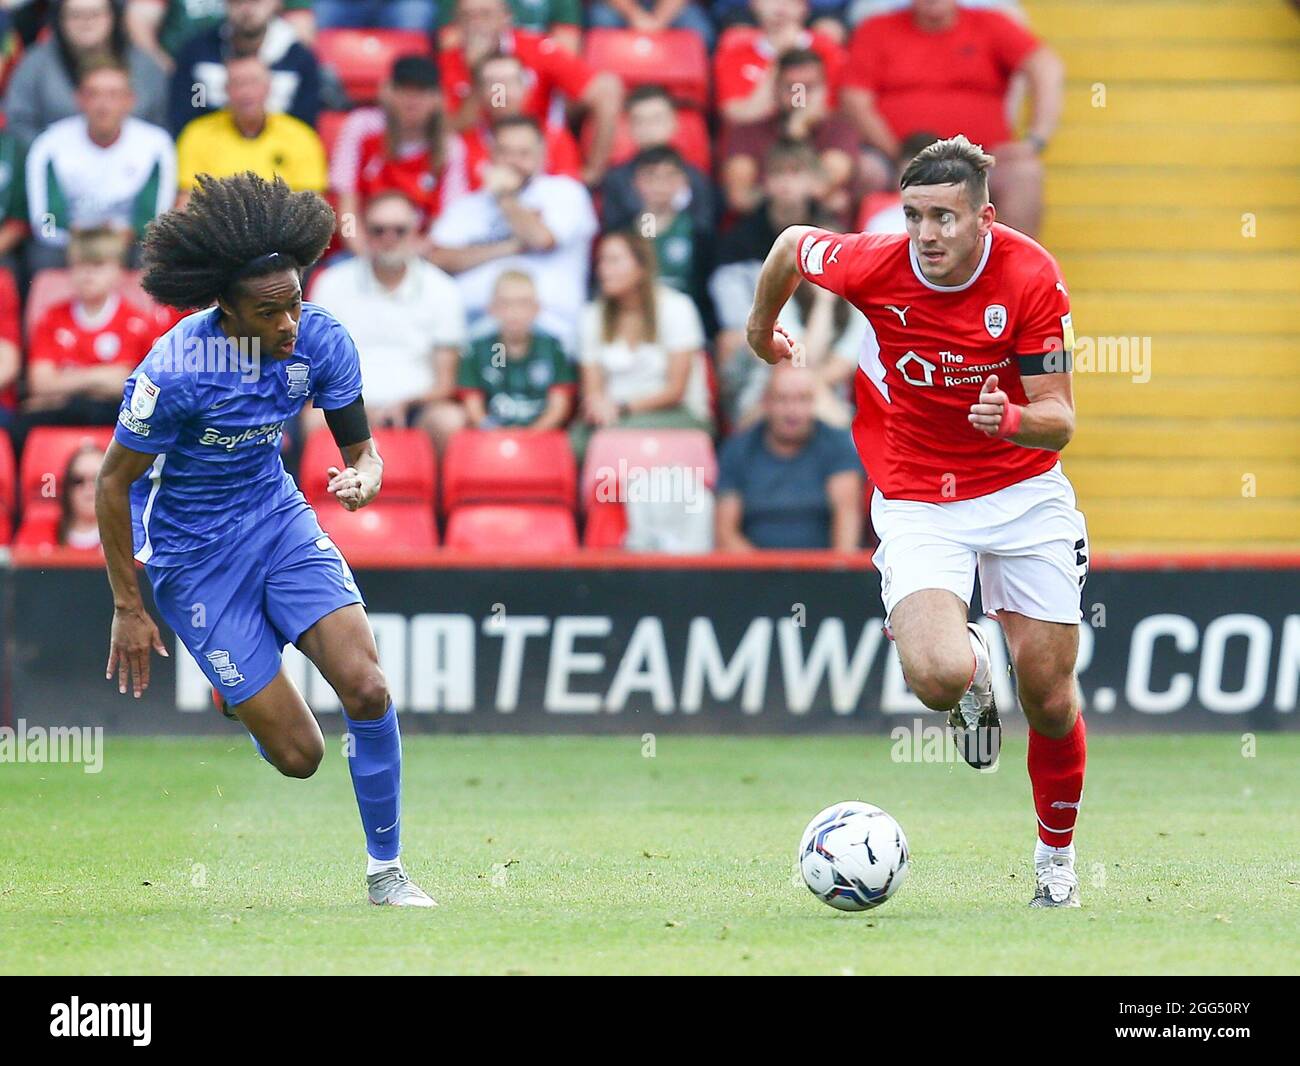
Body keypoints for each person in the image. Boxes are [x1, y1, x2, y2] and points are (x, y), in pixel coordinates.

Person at [746, 135, 1089, 906]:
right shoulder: (875, 262)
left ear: (985, 218)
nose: (926, 234)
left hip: (1024, 489)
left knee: (1050, 696)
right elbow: (792, 247)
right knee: (935, 679)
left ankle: (1055, 865)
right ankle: (971, 676)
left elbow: (1060, 421)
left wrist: (1011, 420)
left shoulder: (1031, 276)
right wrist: (758, 329)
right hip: (917, 492)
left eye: (943, 217)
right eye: (913, 216)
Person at [95, 171, 436, 907]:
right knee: (300, 757)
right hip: (195, 562)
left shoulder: (319, 340)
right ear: (226, 308)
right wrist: (129, 605)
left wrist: (366, 476)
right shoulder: (177, 370)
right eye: (269, 312)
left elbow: (361, 450)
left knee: (368, 687)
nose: (288, 325)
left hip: (278, 523)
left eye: (296, 303)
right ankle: (240, 694)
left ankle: (388, 872)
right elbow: (111, 481)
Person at [841, 0, 1063, 235]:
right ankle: (850, 263)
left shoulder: (991, 24)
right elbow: (854, 100)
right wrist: (901, 154)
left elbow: (1046, 67)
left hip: (981, 160)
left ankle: (1014, 268)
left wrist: (1035, 140)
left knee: (1024, 173)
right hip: (895, 158)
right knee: (864, 170)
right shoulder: (877, 29)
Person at [428, 114, 597, 350]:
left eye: (523, 153)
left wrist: (505, 198)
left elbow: (540, 239)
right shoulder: (467, 205)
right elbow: (438, 259)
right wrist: (510, 246)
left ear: (541, 155)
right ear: (491, 154)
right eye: (505, 152)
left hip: (551, 329)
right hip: (473, 329)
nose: (513, 161)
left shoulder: (565, 192)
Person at [310, 191, 467, 444]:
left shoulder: (443, 288)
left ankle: (440, 485)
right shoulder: (332, 283)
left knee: (449, 421)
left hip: (419, 406)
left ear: (416, 232)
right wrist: (354, 406)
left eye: (399, 230)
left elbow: (446, 382)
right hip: (346, 401)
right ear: (365, 232)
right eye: (378, 230)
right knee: (314, 420)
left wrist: (405, 404)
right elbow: (318, 365)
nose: (389, 238)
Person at [439, 0, 623, 185]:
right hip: (474, 154)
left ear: (506, 18)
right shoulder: (446, 63)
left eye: (485, 14)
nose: (476, 23)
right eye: (468, 16)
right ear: (457, 23)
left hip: (538, 147)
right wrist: (477, 74)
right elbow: (450, 127)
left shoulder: (536, 49)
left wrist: (593, 170)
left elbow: (607, 90)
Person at [24, 57, 176, 271]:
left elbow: (155, 217)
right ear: (79, 99)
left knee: (154, 254)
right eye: (93, 94)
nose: (103, 104)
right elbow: (46, 224)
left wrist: (116, 239)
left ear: (129, 100)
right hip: (69, 243)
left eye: (113, 94)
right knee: (42, 255)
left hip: (130, 243)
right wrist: (85, 240)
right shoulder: (49, 144)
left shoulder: (156, 144)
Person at [573, 229, 712, 458]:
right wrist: (600, 406)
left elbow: (675, 391)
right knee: (575, 443)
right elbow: (593, 391)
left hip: (676, 412)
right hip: (614, 416)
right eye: (601, 261)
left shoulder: (677, 307)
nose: (603, 270)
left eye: (614, 260)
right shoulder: (592, 315)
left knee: (610, 438)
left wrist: (623, 407)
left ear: (640, 268)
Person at [22, 226, 159, 434]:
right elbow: (41, 383)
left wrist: (67, 379)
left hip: (113, 414)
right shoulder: (51, 318)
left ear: (119, 271)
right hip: (64, 414)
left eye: (98, 265)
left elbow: (129, 385)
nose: (88, 274)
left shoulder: (137, 322)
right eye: (80, 265)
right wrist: (100, 377)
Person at [329, 53, 468, 257]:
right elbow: (347, 208)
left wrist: (406, 258)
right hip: (360, 250)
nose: (412, 100)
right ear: (388, 91)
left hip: (420, 256)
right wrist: (362, 251)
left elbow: (447, 221)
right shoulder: (361, 127)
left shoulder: (450, 147)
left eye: (421, 92)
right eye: (404, 90)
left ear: (438, 98)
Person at [715, 363, 862, 550]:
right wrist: (767, 575)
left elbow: (847, 522)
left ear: (813, 403)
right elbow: (725, 533)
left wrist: (839, 573)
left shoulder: (837, 446)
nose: (792, 410)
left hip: (822, 573)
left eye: (801, 399)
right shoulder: (738, 449)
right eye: (782, 399)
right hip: (752, 573)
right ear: (766, 403)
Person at [719, 46, 861, 222]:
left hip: (822, 231)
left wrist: (797, 134)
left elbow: (823, 183)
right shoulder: (747, 131)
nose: (799, 97)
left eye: (808, 88)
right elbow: (739, 197)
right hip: (762, 232)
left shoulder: (840, 130)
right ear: (775, 89)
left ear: (823, 89)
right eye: (791, 88)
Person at [3, 0, 168, 145]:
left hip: (135, 167)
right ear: (60, 19)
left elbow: (162, 121)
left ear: (113, 16)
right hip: (55, 169)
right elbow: (17, 122)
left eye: (95, 14)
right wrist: (55, 155)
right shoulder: (35, 64)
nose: (86, 23)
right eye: (76, 15)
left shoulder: (144, 66)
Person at [175, 54, 326, 205]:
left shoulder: (300, 137)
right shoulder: (198, 135)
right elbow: (186, 199)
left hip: (281, 225)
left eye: (253, 82)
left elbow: (311, 202)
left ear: (269, 87)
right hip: (216, 224)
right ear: (225, 90)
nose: (245, 92)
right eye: (237, 83)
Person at [167, 0, 320, 135]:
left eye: (256, 2)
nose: (247, 10)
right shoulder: (198, 55)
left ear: (277, 3)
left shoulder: (298, 60)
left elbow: (304, 124)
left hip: (278, 156)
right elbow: (188, 110)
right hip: (213, 153)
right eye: (238, 1)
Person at [450, 51, 583, 194]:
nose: (501, 93)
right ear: (479, 92)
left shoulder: (555, 138)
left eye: (509, 82)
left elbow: (568, 199)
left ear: (526, 88)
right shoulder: (460, 145)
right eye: (492, 84)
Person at [457, 270, 574, 431]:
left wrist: (528, 435)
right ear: (491, 308)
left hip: (540, 436)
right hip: (491, 437)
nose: (514, 311)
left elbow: (558, 408)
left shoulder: (553, 348)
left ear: (537, 308)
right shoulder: (478, 350)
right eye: (505, 303)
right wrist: (498, 434)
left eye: (523, 303)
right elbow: (474, 408)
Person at [599, 85, 716, 237]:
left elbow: (705, 236)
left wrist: (670, 213)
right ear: (630, 127)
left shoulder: (696, 179)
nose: (649, 128)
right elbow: (616, 236)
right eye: (640, 121)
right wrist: (651, 211)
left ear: (674, 122)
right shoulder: (617, 180)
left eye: (657, 119)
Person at [714, 0, 845, 127]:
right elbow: (737, 117)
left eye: (791, 1)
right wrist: (779, 61)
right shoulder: (735, 53)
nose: (781, 6)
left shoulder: (828, 51)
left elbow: (828, 115)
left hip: (810, 144)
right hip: (754, 143)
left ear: (805, 7)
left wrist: (793, 57)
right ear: (754, 3)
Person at [126, 0, 315, 70]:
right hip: (193, 71)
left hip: (265, 72)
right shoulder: (196, 60)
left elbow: (301, 34)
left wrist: (260, 76)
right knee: (195, 103)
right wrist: (169, 70)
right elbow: (139, 23)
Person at [585, 0, 717, 50]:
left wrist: (659, 20)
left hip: (670, 7)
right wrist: (635, 16)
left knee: (702, 35)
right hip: (622, 6)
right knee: (602, 23)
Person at [58, 443, 107, 550]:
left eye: (97, 480)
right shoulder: (43, 536)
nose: (89, 488)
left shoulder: (131, 540)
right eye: (78, 481)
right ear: (67, 488)